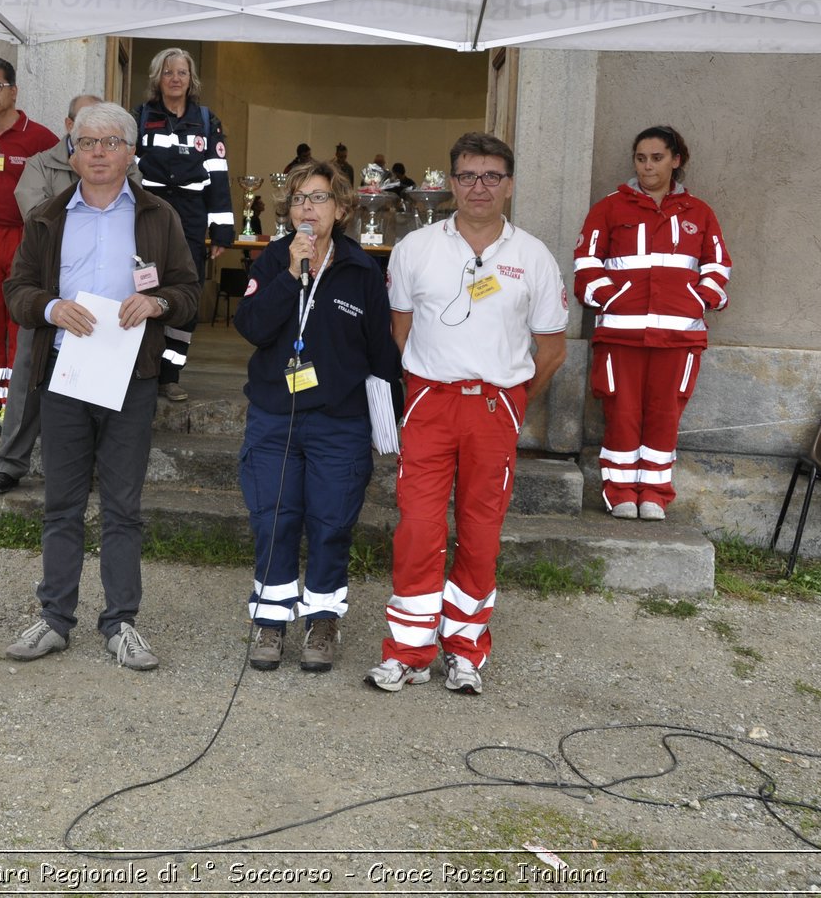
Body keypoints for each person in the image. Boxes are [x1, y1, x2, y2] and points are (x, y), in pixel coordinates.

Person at [368, 132, 566, 697]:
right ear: (451, 182)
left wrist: (514, 399)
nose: (479, 187)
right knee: (419, 527)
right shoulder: (416, 248)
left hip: (496, 405)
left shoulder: (533, 256)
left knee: (480, 534)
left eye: (492, 177)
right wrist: (422, 388)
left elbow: (551, 350)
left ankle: (464, 649)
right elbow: (398, 331)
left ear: (508, 184)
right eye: (468, 176)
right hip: (431, 402)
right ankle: (408, 651)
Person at [1, 102, 199, 671]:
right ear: (72, 151)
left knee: (123, 506)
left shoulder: (158, 217)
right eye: (87, 142)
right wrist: (50, 307)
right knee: (60, 503)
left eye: (111, 142)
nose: (98, 152)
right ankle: (55, 619)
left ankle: (120, 623)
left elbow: (188, 289)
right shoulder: (47, 216)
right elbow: (17, 291)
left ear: (130, 152)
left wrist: (158, 301)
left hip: (130, 378)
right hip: (64, 376)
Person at [234, 162, 398, 673]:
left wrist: (390, 423)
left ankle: (322, 620)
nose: (307, 207)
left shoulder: (362, 270)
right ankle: (270, 619)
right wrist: (288, 275)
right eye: (301, 198)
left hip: (339, 421)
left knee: (331, 523)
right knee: (273, 520)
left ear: (342, 210)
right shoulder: (270, 262)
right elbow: (253, 327)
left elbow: (381, 354)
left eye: (320, 198)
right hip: (274, 416)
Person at [574, 125, 730, 520]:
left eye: (657, 158)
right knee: (622, 413)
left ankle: (656, 494)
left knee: (665, 415)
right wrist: (611, 299)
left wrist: (700, 299)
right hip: (620, 336)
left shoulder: (700, 213)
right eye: (640, 158)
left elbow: (718, 267)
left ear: (676, 160)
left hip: (679, 338)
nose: (647, 167)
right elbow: (586, 265)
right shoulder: (609, 208)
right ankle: (621, 490)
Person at [0, 93, 102, 496]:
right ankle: (9, 463)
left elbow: (132, 215)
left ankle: (80, 467)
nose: (96, 142)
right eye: (86, 127)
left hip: (100, 296)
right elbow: (36, 217)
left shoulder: (124, 166)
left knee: (91, 385)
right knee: (27, 379)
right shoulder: (42, 162)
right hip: (48, 290)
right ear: (69, 126)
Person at [0, 58, 58, 438]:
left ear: (14, 90)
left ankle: (16, 407)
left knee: (21, 324)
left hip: (25, 237)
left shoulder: (40, 139)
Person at [133, 47, 233, 402]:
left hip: (191, 216)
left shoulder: (207, 121)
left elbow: (218, 175)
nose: (175, 79)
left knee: (184, 292)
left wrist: (221, 230)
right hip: (149, 213)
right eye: (168, 72)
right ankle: (140, 368)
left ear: (192, 80)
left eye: (182, 73)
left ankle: (169, 374)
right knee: (144, 287)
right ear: (157, 78)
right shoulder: (140, 117)